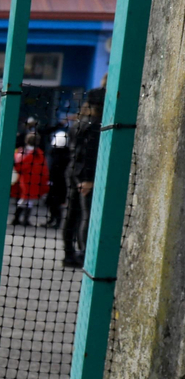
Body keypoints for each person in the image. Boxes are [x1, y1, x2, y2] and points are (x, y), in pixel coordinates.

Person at [62, 91, 103, 267]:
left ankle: (69, 253)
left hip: (72, 172)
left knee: (72, 215)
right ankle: (85, 254)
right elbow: (88, 154)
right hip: (84, 175)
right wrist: (87, 178)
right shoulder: (94, 126)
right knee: (86, 215)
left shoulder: (78, 124)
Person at [12, 131, 50, 226]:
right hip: (34, 180)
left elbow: (18, 165)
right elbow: (44, 168)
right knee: (28, 200)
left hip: (24, 179)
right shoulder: (38, 153)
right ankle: (22, 219)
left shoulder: (21, 151)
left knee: (24, 199)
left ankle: (19, 219)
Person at [44, 121, 71, 227]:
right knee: (54, 202)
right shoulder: (65, 153)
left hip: (56, 181)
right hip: (60, 182)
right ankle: (53, 220)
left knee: (54, 202)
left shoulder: (57, 154)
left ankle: (56, 220)